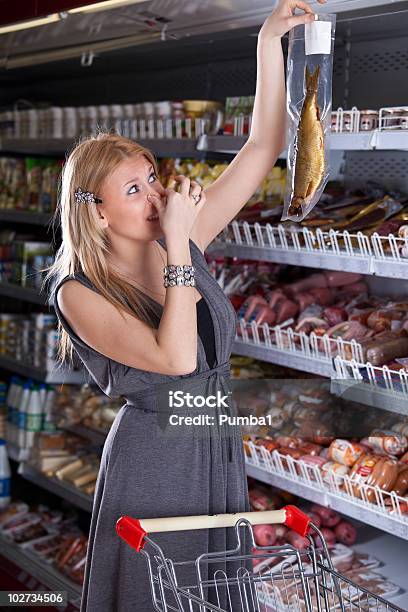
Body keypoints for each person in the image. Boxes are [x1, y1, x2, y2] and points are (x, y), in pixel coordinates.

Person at [46, 1, 327, 610]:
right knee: (162, 596)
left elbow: (263, 145)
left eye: (152, 177)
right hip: (157, 462)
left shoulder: (180, 239)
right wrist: (178, 242)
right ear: (95, 210)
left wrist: (267, 40)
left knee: (216, 593)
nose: (155, 195)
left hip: (213, 441)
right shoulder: (78, 290)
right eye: (134, 189)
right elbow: (175, 358)